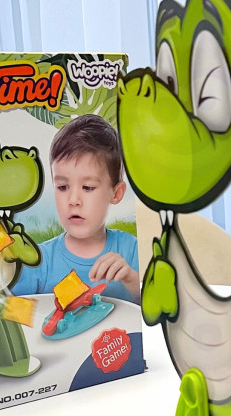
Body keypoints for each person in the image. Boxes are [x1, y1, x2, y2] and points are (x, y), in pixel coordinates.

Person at [14, 114, 140, 303]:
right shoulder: (38, 261)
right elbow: (7, 312)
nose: (73, 200)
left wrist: (131, 280)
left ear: (116, 193)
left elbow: (161, 309)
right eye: (62, 187)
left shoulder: (131, 250)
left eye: (88, 187)